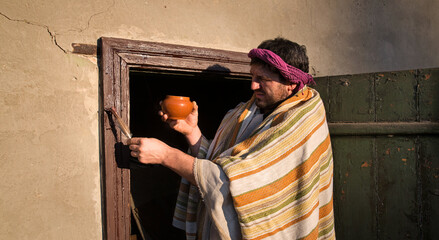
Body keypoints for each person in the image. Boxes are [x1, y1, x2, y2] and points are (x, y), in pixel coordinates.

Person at [128, 37, 335, 240]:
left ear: (290, 82)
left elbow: (229, 182)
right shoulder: (242, 112)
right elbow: (219, 164)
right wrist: (192, 132)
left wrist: (166, 155)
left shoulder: (302, 121)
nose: (253, 86)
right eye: (252, 77)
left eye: (262, 79)